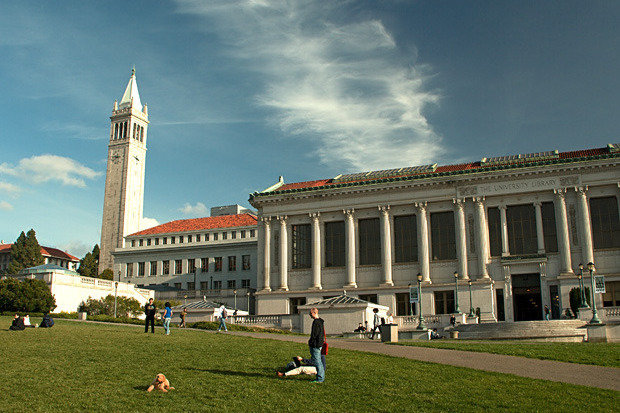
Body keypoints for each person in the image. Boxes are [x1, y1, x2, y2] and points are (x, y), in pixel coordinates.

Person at [308, 307, 325, 383]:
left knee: (317, 361)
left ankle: (320, 378)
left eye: (310, 313)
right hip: (319, 344)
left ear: (314, 313)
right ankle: (320, 377)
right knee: (318, 361)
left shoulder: (316, 322)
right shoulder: (321, 321)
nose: (310, 315)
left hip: (315, 344)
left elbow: (314, 334)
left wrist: (311, 342)